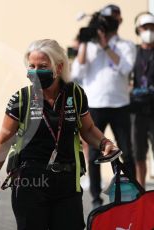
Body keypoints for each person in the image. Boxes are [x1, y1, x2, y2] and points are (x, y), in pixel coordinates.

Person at [0, 39, 118, 230]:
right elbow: (3, 142)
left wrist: (104, 143)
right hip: (30, 182)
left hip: (67, 183)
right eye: (32, 66)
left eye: (43, 66)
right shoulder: (22, 98)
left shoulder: (75, 94)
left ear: (59, 66)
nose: (36, 71)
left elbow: (87, 129)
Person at [71, 4, 136, 209]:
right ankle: (96, 197)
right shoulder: (89, 47)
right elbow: (76, 73)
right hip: (95, 105)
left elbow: (125, 68)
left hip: (120, 105)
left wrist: (106, 46)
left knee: (127, 150)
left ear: (118, 22)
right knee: (93, 152)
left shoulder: (126, 45)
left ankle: (133, 191)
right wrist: (84, 41)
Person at [131, 12, 154, 188]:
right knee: (138, 153)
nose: (149, 31)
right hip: (137, 110)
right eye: (145, 27)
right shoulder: (132, 53)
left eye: (152, 27)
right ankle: (141, 191)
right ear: (138, 29)